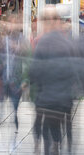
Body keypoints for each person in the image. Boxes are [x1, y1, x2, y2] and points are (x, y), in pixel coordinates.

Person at [29, 6, 77, 155]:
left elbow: (34, 71)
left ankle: (52, 147)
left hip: (47, 96)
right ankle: (58, 145)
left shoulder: (42, 43)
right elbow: (75, 70)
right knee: (59, 126)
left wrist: (32, 84)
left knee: (47, 128)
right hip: (64, 97)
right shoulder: (68, 43)